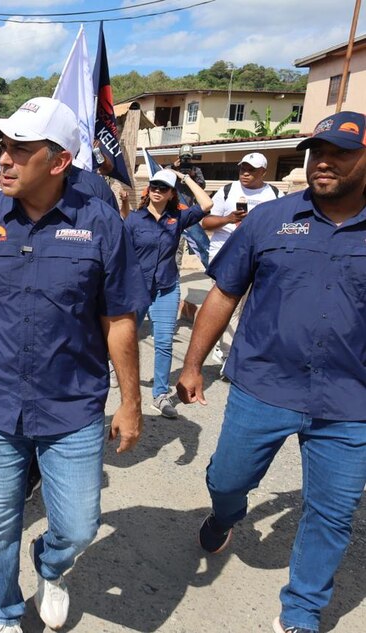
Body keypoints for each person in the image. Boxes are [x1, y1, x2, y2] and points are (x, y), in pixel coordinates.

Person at [0, 97, 149, 632]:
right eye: (3, 147)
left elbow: (119, 317)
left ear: (58, 162)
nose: (2, 160)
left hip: (71, 406)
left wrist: (131, 402)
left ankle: (50, 564)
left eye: (19, 150)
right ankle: (4, 614)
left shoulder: (100, 223)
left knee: (77, 526)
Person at [176, 111, 366, 633]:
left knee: (332, 512)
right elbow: (224, 291)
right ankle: (224, 515)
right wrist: (192, 364)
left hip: (350, 404)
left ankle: (301, 613)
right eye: (316, 151)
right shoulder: (270, 219)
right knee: (227, 477)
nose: (323, 161)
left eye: (341, 152)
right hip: (263, 387)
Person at [124, 168, 212, 418]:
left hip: (167, 287)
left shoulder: (178, 218)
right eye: (154, 186)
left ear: (172, 193)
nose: (157, 191)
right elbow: (122, 255)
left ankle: (160, 395)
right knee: (127, 339)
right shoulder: (134, 219)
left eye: (163, 187)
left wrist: (184, 178)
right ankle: (115, 367)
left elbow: (206, 204)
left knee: (163, 343)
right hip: (137, 289)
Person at [202, 152, 281, 374]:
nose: (245, 173)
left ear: (263, 172)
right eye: (242, 169)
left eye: (251, 170)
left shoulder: (274, 195)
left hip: (259, 258)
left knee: (250, 307)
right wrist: (229, 219)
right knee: (228, 306)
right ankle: (228, 354)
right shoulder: (228, 190)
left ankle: (235, 351)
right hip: (226, 257)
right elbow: (206, 222)